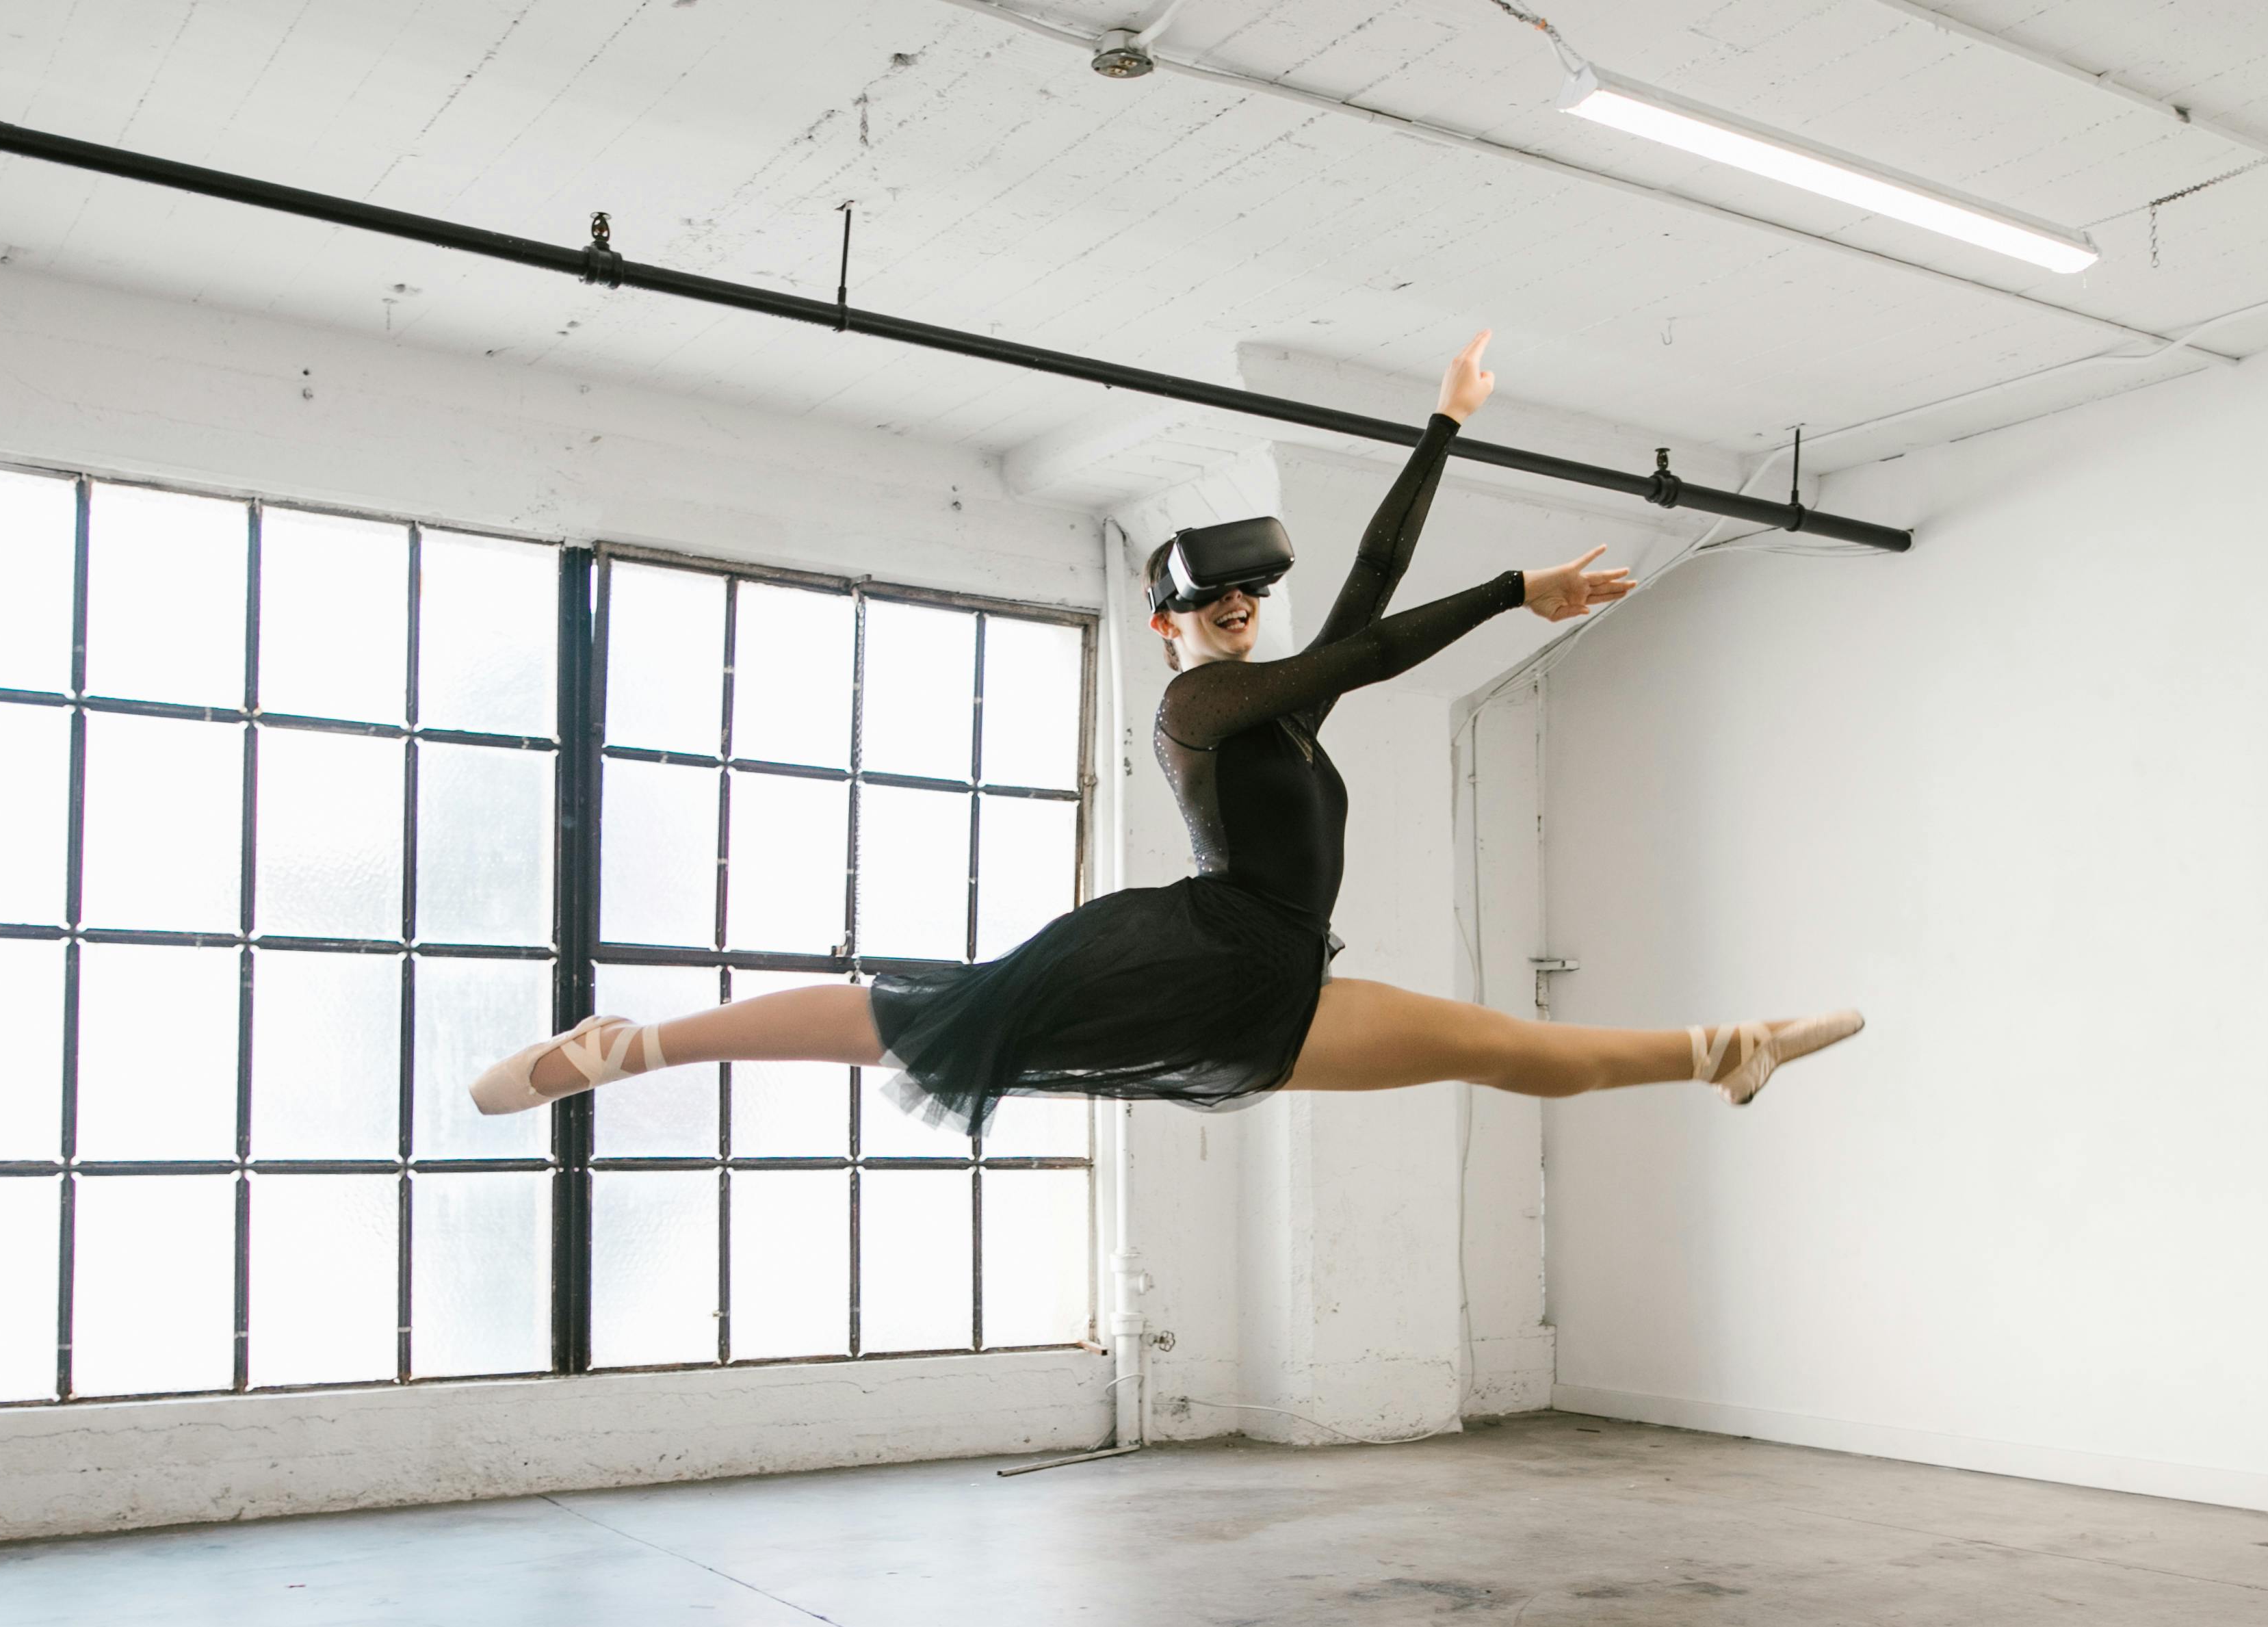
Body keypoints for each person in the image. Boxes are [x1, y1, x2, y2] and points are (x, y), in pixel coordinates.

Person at [471, 332, 1860, 1127]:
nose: (1246, 611)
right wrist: (1513, 587)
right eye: (1219, 599)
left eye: (1257, 594)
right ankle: (628, 1044)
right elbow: (1375, 643)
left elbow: (1365, 595)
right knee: (920, 1023)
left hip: (1273, 979)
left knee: (1493, 1050)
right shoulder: (1198, 704)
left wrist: (1441, 424)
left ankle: (1722, 1050)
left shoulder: (1283, 700)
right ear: (1171, 623)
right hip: (1192, 950)